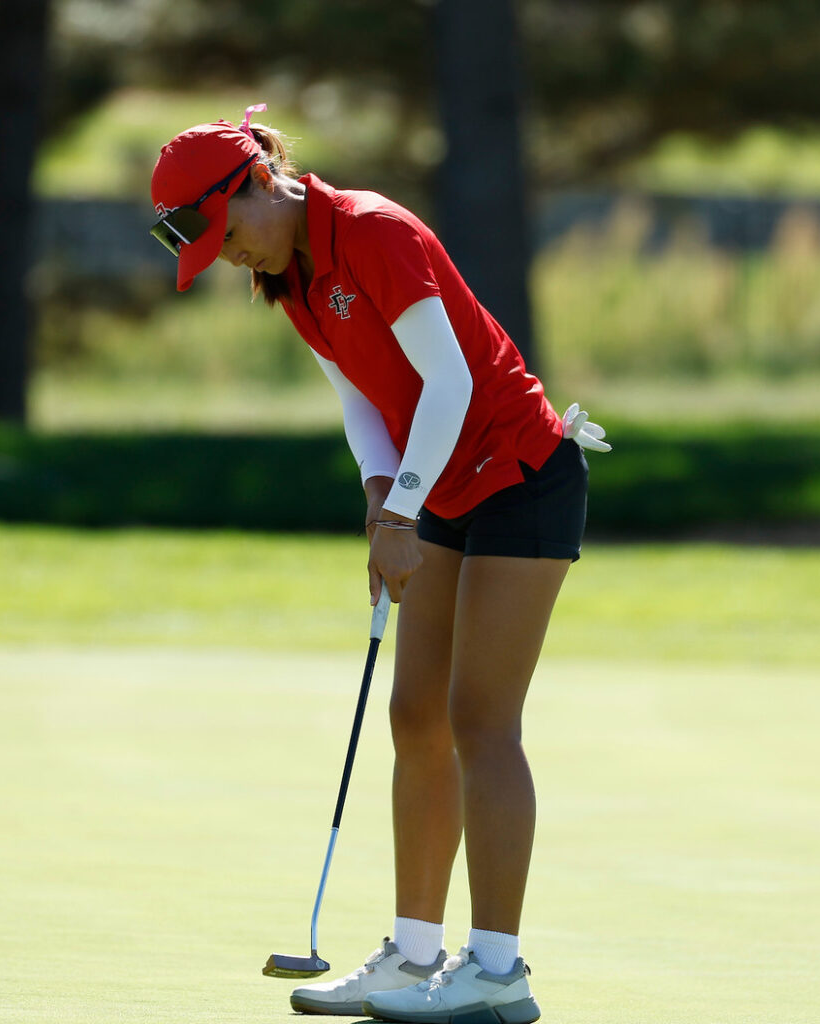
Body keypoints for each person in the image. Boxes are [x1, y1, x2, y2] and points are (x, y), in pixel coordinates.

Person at [149, 106, 609, 1024]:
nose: (229, 258)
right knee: (415, 714)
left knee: (481, 719)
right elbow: (361, 396)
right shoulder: (288, 277)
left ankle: (497, 971)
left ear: (256, 181)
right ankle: (413, 954)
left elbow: (453, 383)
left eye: (225, 236)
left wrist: (401, 510)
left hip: (519, 472)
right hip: (435, 483)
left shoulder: (371, 231)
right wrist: (379, 496)